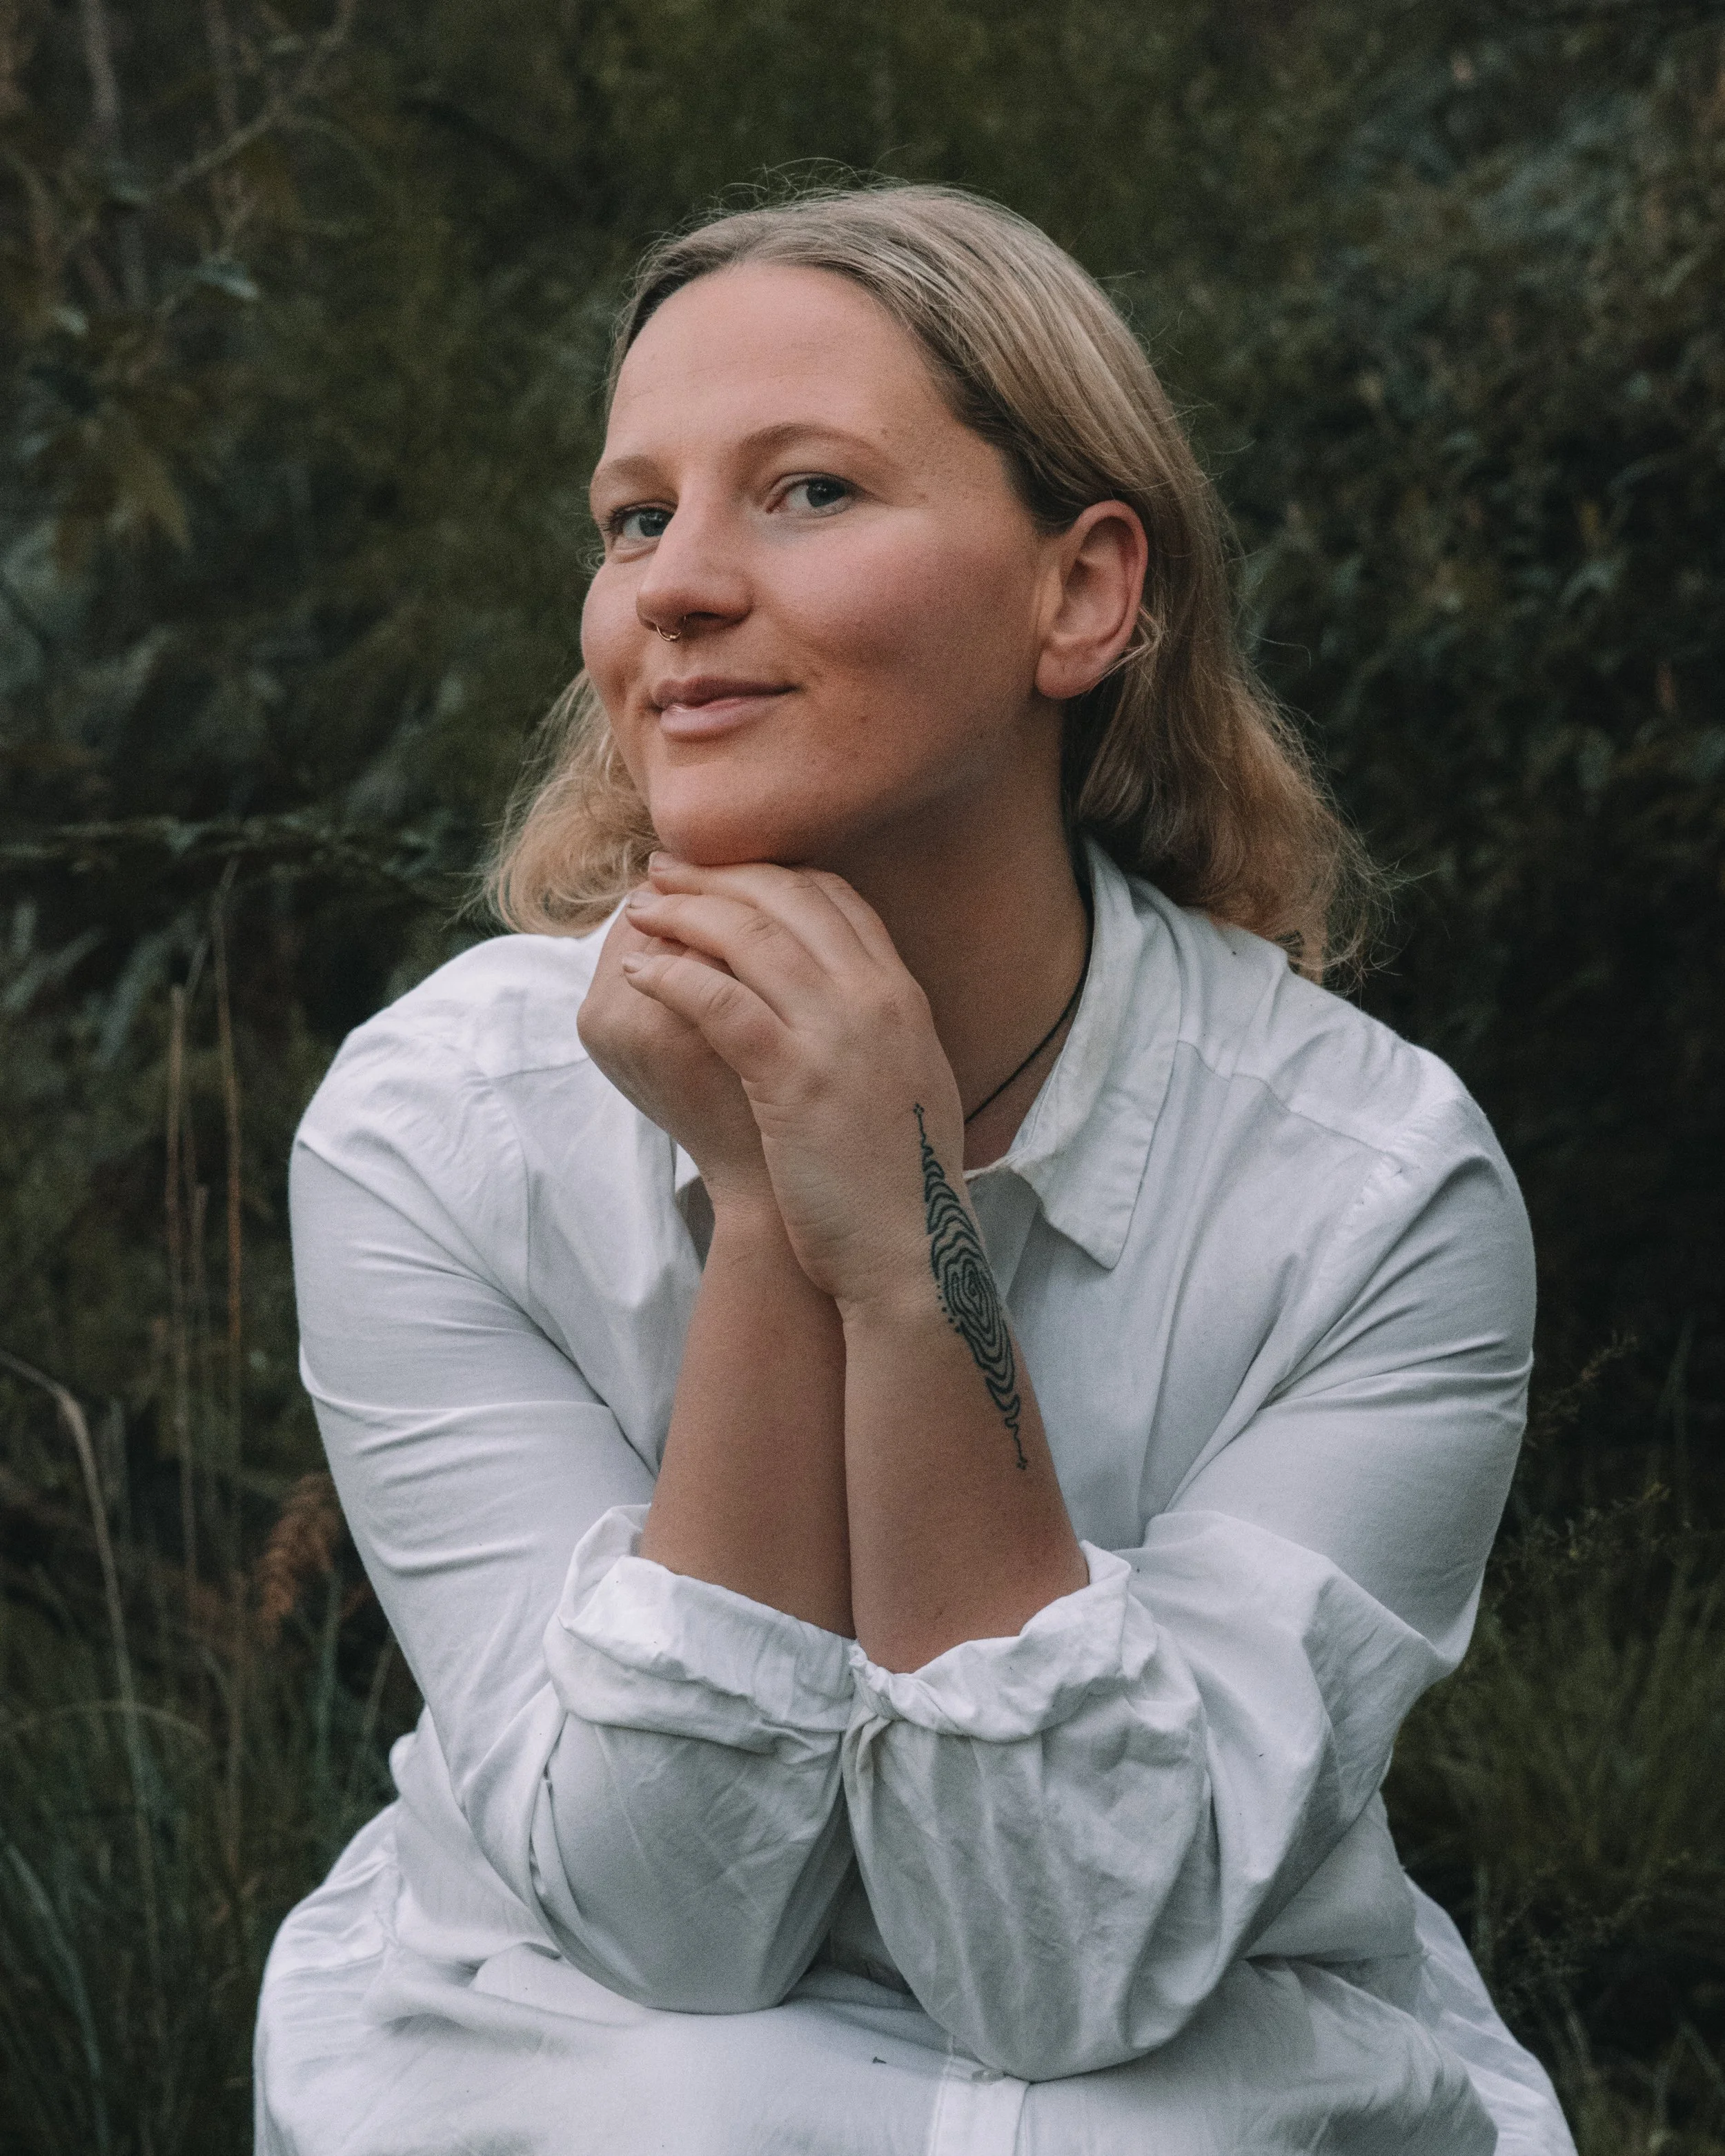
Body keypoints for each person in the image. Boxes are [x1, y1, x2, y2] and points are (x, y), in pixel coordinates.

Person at [255, 184, 1576, 2155]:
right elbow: (666, 1911)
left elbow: (1071, 1956)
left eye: (803, 492)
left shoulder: (1371, 1196)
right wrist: (781, 1211)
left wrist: (906, 1246)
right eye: (635, 518)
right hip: (577, 2027)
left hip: (1183, 2046)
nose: (676, 588)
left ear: (1081, 593)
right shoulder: (436, 1127)